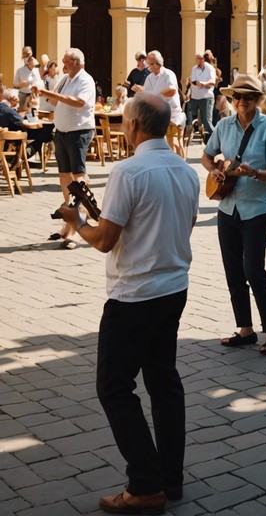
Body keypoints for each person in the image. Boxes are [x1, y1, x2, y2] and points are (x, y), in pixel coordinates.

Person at [57, 93, 199, 513]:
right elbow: (184, 224)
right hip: (173, 288)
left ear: (135, 125)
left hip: (134, 294)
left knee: (114, 386)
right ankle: (170, 478)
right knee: (164, 381)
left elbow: (105, 240)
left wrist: (77, 221)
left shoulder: (128, 171)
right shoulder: (185, 169)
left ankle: (145, 482)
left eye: (123, 120)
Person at [202, 75, 266, 355]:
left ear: (257, 100)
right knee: (233, 272)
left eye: (246, 97)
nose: (240, 102)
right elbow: (207, 155)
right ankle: (245, 329)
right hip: (227, 206)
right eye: (236, 97)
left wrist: (256, 173)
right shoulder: (224, 125)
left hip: (257, 207)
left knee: (254, 271)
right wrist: (212, 168)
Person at [39, 48, 96, 250]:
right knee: (64, 176)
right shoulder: (65, 79)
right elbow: (55, 101)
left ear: (78, 62)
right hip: (62, 131)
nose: (63, 66)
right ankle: (73, 217)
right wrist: (47, 93)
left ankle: (76, 228)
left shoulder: (85, 80)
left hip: (78, 132)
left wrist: (49, 94)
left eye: (66, 62)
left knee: (78, 178)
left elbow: (80, 102)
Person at [134, 51, 186, 155]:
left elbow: (172, 91)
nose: (148, 67)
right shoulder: (150, 77)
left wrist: (155, 95)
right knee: (167, 143)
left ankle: (181, 166)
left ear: (156, 64)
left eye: (149, 64)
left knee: (176, 143)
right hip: (159, 115)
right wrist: (141, 91)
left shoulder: (168, 74)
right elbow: (149, 94)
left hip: (173, 114)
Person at [186, 52, 217, 139]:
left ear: (202, 59)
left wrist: (203, 84)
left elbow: (212, 82)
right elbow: (193, 81)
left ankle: (216, 139)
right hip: (195, 96)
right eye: (196, 58)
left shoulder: (210, 68)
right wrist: (193, 85)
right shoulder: (194, 68)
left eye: (198, 58)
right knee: (191, 115)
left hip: (206, 97)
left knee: (207, 121)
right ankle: (195, 132)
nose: (196, 60)